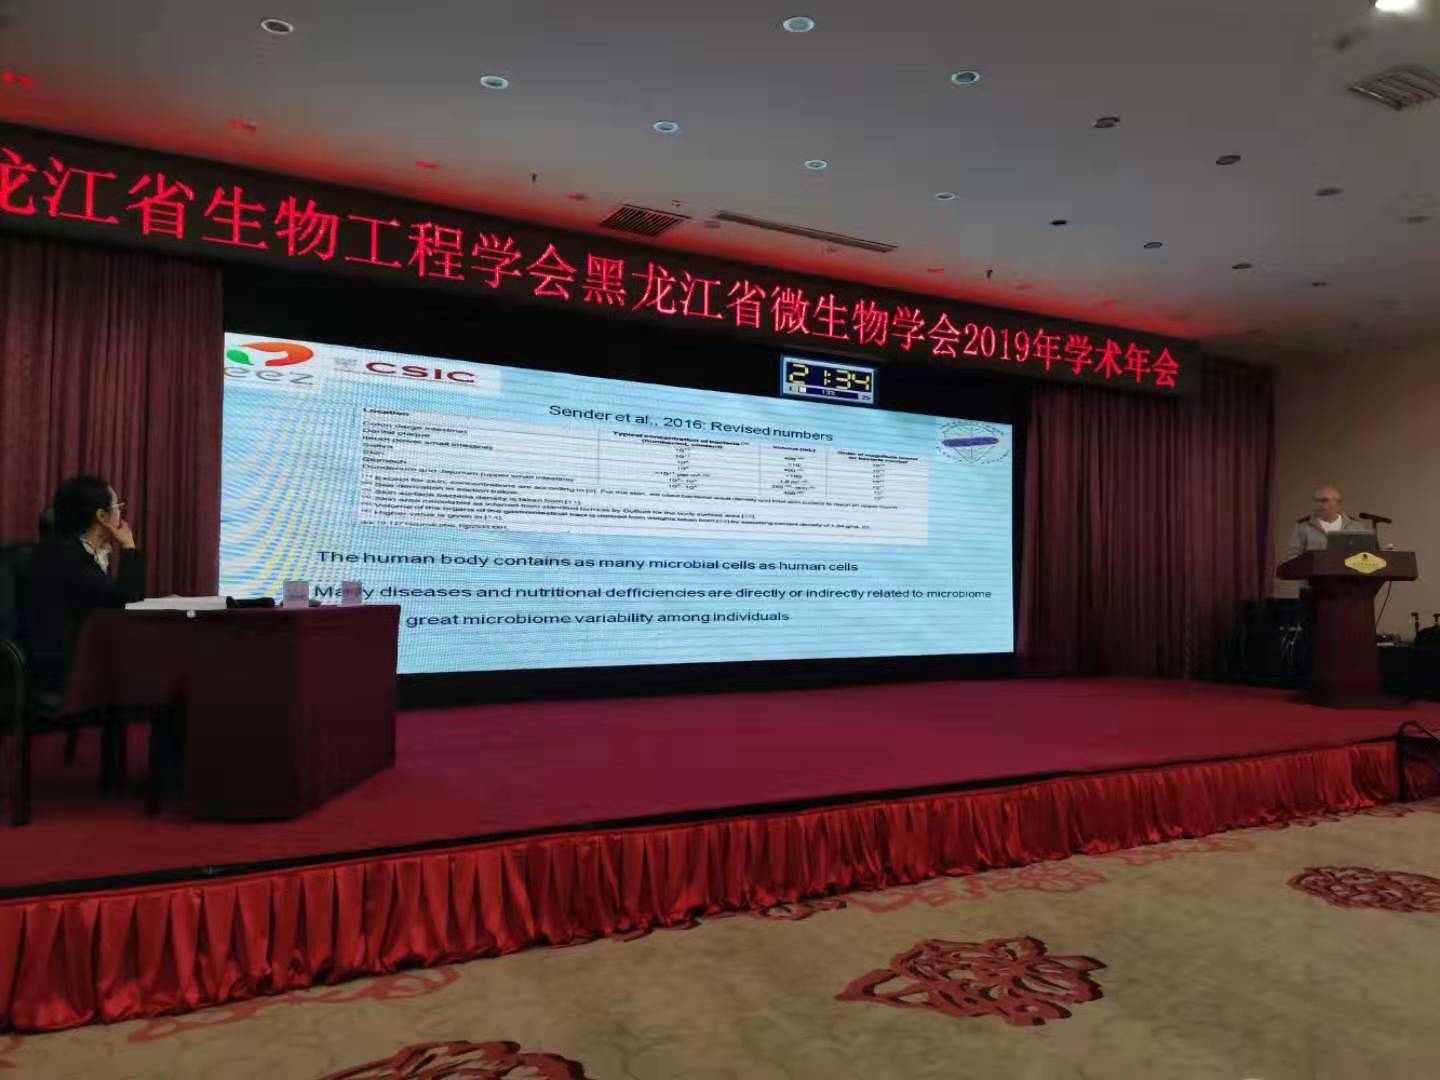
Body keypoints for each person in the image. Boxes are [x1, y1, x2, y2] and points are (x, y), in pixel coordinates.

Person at [24, 475, 145, 698]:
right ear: (102, 516)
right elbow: (125, 599)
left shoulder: (68, 550)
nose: (120, 513)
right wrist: (129, 547)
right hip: (62, 669)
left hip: (80, 655)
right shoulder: (65, 557)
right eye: (117, 507)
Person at [1283, 484, 1372, 561]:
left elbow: (1366, 555)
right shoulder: (1304, 526)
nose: (1318, 505)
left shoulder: (1355, 526)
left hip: (1347, 574)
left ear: (1337, 503)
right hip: (1314, 575)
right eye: (1316, 501)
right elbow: (1293, 556)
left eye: (1324, 500)